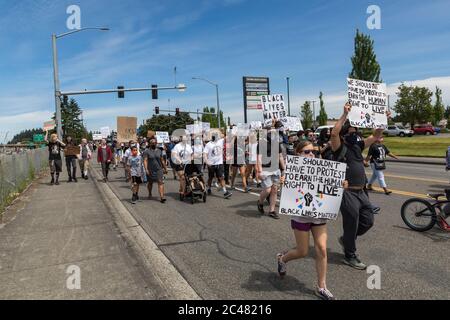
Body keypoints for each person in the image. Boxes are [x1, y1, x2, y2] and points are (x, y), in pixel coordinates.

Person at [330, 102, 389, 270]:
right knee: (352, 222)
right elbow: (334, 132)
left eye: (355, 131)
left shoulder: (358, 146)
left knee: (368, 220)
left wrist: (382, 119)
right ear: (344, 135)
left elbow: (376, 135)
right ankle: (350, 255)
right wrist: (344, 115)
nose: (354, 134)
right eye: (350, 131)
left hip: (361, 192)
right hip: (347, 192)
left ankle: (347, 239)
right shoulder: (338, 147)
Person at [277, 140, 335, 300]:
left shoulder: (323, 167)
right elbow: (289, 196)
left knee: (322, 249)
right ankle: (282, 258)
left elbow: (331, 189)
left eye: (314, 152)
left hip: (319, 215)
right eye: (307, 152)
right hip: (301, 216)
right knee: (303, 251)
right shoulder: (291, 168)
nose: (311, 155)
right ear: (298, 153)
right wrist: (284, 183)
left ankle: (321, 287)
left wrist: (340, 185)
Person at [256, 126, 286, 219]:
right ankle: (260, 202)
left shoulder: (276, 143)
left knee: (274, 190)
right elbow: (259, 157)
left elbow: (280, 156)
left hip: (276, 169)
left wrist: (284, 168)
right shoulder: (261, 143)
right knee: (267, 190)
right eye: (269, 132)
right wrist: (259, 171)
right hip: (265, 170)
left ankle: (272, 211)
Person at [204, 131, 232, 198]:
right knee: (211, 177)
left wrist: (230, 130)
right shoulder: (208, 144)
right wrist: (207, 162)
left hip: (219, 163)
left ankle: (225, 192)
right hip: (211, 164)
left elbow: (227, 137)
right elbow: (205, 154)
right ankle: (209, 188)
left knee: (221, 177)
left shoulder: (220, 141)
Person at [143, 138, 168, 203]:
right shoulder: (146, 151)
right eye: (152, 143)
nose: (154, 144)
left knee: (160, 182)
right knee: (150, 183)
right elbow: (145, 160)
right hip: (150, 169)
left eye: (155, 143)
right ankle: (150, 193)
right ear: (150, 144)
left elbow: (162, 160)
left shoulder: (159, 151)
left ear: (156, 143)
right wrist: (146, 169)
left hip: (159, 169)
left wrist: (165, 168)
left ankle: (162, 197)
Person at [171, 134, 194, 198]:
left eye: (186, 140)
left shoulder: (188, 146)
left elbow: (192, 154)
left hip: (188, 164)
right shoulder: (177, 146)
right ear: (181, 139)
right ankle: (182, 190)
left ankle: (189, 189)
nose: (185, 141)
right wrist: (179, 160)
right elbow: (174, 154)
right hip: (179, 164)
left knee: (190, 177)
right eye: (183, 140)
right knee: (182, 177)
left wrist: (191, 158)